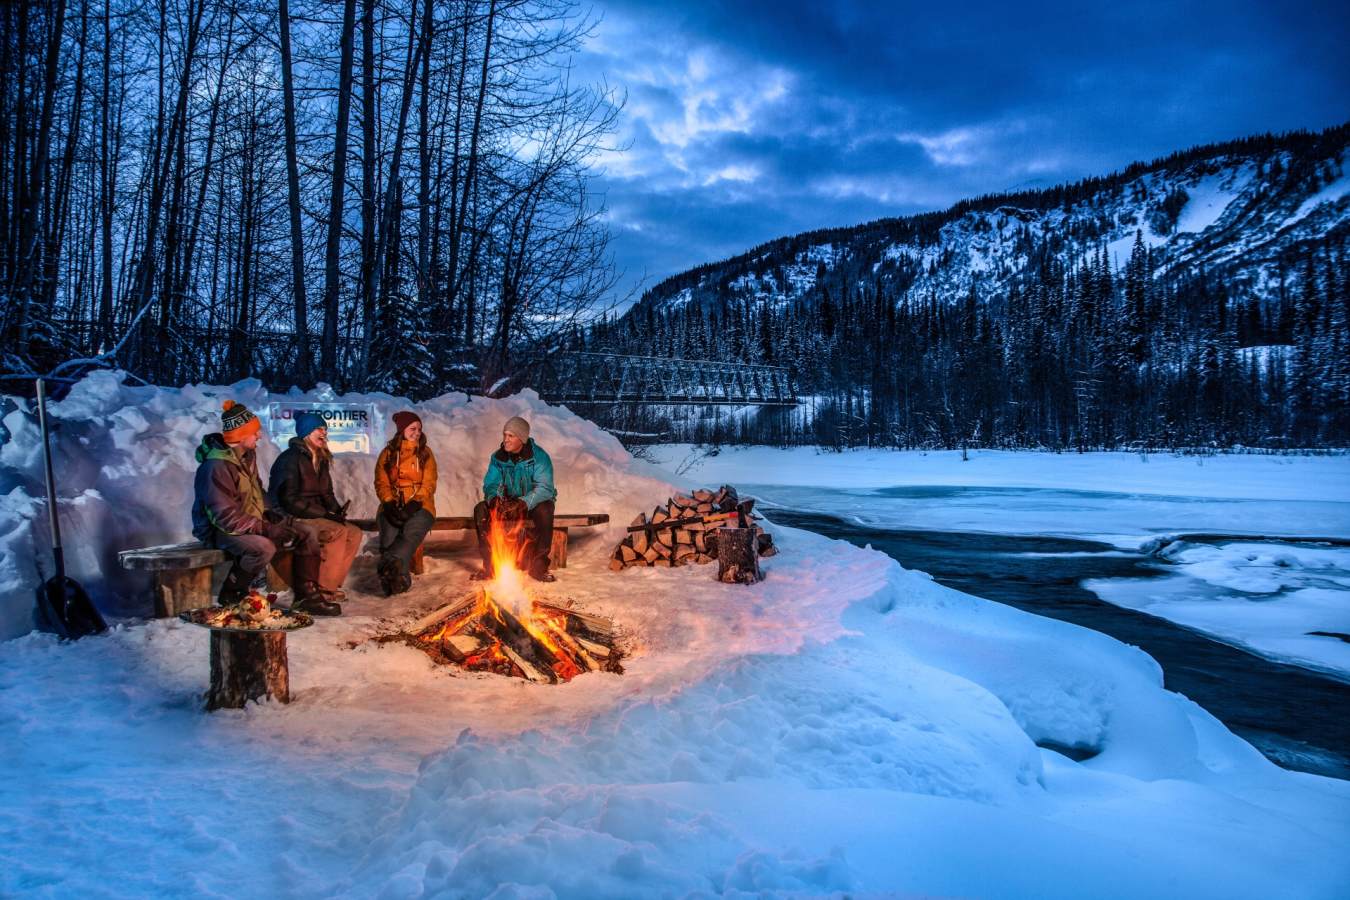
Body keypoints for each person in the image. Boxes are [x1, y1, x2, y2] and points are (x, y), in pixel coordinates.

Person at [191, 399, 340, 616]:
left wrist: (274, 516)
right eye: (255, 432)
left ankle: (307, 597)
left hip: (249, 520)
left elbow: (258, 492)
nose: (259, 436)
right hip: (219, 529)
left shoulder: (246, 456)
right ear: (241, 435)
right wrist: (267, 529)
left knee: (307, 532)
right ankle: (232, 591)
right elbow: (224, 517)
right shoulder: (215, 466)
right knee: (263, 547)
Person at [268, 412, 363, 604]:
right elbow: (289, 500)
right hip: (289, 516)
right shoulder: (290, 459)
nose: (324, 433)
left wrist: (336, 511)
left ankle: (330, 585)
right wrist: (325, 515)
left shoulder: (320, 458)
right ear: (306, 432)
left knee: (354, 532)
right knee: (335, 531)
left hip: (312, 513)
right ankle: (322, 591)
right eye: (319, 429)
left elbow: (326, 493)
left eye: (325, 429)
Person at [473, 415, 557, 582]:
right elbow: (491, 483)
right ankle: (490, 566)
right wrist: (495, 500)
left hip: (532, 505)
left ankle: (539, 566)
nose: (506, 440)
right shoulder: (498, 458)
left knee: (546, 509)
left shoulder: (539, 458)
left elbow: (545, 488)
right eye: (504, 435)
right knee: (481, 509)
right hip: (508, 505)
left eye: (510, 436)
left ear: (522, 438)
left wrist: (523, 502)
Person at [373, 410, 438, 595]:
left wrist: (414, 504)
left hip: (421, 504)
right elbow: (381, 482)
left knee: (411, 532)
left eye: (419, 429)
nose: (417, 432)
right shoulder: (388, 453)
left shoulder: (425, 453)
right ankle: (398, 581)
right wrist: (388, 503)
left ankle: (386, 566)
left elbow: (429, 482)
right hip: (393, 503)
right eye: (412, 428)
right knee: (388, 534)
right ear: (401, 430)